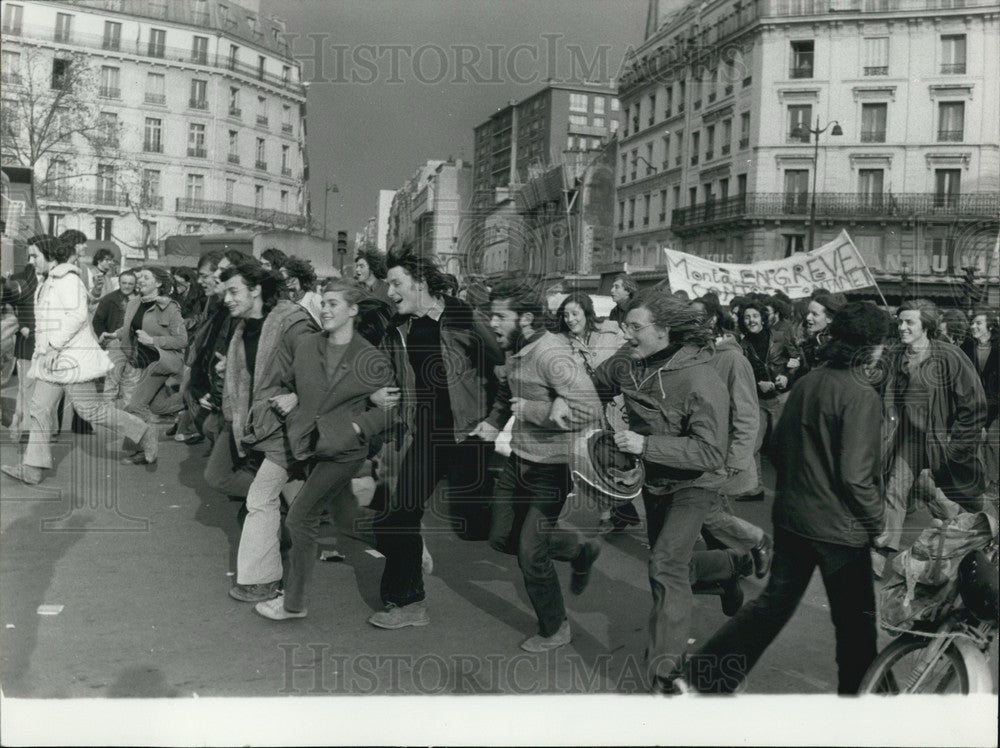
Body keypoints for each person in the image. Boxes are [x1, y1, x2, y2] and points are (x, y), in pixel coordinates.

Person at [688, 302, 891, 695]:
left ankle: (705, 676)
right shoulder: (861, 393)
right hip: (839, 531)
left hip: (793, 517)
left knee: (772, 607)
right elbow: (856, 477)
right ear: (871, 346)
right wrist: (879, 525)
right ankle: (867, 704)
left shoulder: (809, 381)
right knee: (856, 627)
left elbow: (778, 447)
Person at [589, 291, 749, 693]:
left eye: (635, 327)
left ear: (664, 331)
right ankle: (732, 566)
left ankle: (666, 671)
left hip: (696, 483)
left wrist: (645, 446)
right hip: (655, 480)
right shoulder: (627, 360)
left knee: (664, 564)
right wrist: (606, 425)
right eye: (625, 325)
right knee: (668, 565)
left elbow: (712, 451)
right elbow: (596, 383)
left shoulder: (701, 378)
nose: (626, 334)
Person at [368, 251, 503, 629]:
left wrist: (493, 421)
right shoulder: (397, 328)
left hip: (470, 436)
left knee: (482, 527)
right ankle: (408, 603)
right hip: (425, 435)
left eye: (396, 283)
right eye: (387, 284)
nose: (389, 291)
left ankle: (569, 546)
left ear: (420, 282)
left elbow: (503, 371)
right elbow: (379, 371)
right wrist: (377, 392)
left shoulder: (463, 317)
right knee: (398, 515)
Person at [254, 280, 398, 620]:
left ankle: (294, 603)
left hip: (345, 451)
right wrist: (291, 395)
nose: (326, 309)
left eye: (334, 303)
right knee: (346, 520)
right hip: (307, 443)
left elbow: (391, 409)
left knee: (300, 518)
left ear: (353, 310)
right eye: (324, 303)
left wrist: (358, 426)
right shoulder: (307, 346)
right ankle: (405, 543)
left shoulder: (370, 358)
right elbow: (290, 382)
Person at [479, 281, 604, 652]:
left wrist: (534, 412)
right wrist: (493, 422)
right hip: (519, 458)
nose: (493, 323)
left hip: (553, 464)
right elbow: (509, 391)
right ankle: (579, 549)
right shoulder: (516, 348)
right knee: (501, 537)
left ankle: (555, 628)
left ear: (527, 318)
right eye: (492, 316)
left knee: (530, 552)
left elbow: (590, 409)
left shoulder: (552, 354)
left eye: (501, 316)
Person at [1, 236, 157, 485]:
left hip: (71, 360)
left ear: (50, 256)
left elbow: (77, 315)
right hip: (52, 362)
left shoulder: (68, 279)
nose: (31, 261)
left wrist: (52, 346)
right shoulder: (48, 280)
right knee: (40, 409)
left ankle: (143, 432)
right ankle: (33, 468)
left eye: (35, 256)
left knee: (91, 410)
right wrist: (43, 352)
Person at [218, 257, 318, 602]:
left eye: (233, 291)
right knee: (326, 509)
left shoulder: (291, 322)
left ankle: (262, 580)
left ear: (256, 289)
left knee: (260, 498)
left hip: (291, 427)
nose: (227, 299)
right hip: (265, 427)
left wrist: (295, 395)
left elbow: (324, 367)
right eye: (225, 293)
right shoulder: (246, 327)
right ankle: (403, 544)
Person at [877, 299, 988, 575]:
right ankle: (881, 552)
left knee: (965, 496)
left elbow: (974, 404)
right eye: (900, 321)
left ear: (925, 325)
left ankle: (988, 528)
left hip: (944, 442)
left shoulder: (949, 356)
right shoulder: (895, 356)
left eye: (909, 322)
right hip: (911, 440)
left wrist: (958, 444)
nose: (901, 327)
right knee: (895, 488)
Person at [554, 292, 635, 533]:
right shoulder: (561, 343)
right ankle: (607, 515)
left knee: (622, 462)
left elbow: (631, 356)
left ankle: (622, 510)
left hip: (617, 408)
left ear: (587, 313)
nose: (570, 319)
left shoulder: (611, 333)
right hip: (587, 409)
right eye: (565, 314)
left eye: (575, 313)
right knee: (595, 462)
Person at [100, 266, 187, 458]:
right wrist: (114, 334)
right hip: (139, 360)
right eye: (140, 277)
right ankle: (189, 400)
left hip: (160, 362)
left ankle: (140, 449)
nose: (140, 280)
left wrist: (153, 341)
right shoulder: (134, 303)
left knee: (135, 405)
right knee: (158, 407)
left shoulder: (170, 307)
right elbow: (129, 327)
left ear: (158, 283)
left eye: (146, 278)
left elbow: (182, 340)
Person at [736, 300, 801, 502]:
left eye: (755, 316)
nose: (751, 320)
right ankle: (755, 488)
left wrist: (787, 376)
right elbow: (741, 374)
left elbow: (798, 359)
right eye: (747, 317)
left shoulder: (780, 337)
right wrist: (758, 384)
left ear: (763, 318)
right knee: (753, 445)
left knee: (787, 446)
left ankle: (795, 490)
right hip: (759, 401)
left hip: (782, 398)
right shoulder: (742, 345)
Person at [4, 235, 43, 441]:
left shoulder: (51, 278)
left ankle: (21, 426)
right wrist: (21, 324)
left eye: (35, 255)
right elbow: (8, 303)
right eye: (30, 255)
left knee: (31, 391)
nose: (31, 260)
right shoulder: (22, 278)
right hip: (27, 343)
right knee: (26, 389)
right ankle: (21, 427)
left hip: (41, 344)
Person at [961, 308, 998, 497]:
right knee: (973, 443)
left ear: (990, 326)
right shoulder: (967, 347)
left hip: (996, 407)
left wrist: (989, 420)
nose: (973, 326)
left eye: (978, 323)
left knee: (993, 441)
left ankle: (993, 482)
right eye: (972, 322)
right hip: (972, 405)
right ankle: (979, 483)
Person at [92, 269, 137, 410]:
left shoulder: (139, 300)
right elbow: (97, 321)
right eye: (124, 283)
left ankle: (126, 418)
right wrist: (106, 338)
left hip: (134, 346)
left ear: (135, 284)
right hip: (115, 344)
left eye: (130, 283)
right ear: (119, 283)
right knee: (112, 381)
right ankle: (109, 417)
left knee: (130, 383)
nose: (127, 286)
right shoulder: (109, 299)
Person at [789, 291, 846, 377]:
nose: (808, 317)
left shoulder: (840, 347)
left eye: (814, 314)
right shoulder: (811, 342)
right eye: (808, 312)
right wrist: (797, 366)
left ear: (829, 318)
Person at [280, 255, 321, 326]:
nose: (287, 284)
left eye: (290, 279)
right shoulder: (283, 301)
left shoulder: (315, 299)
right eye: (283, 280)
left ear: (300, 278)